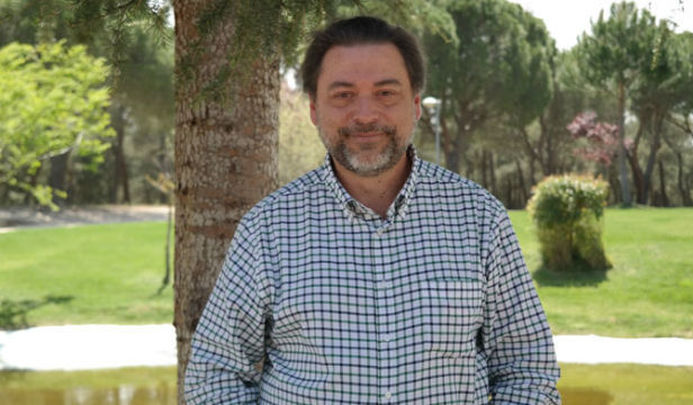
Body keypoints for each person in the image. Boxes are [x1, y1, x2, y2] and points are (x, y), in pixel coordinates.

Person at [184, 16, 561, 404]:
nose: (365, 115)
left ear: (415, 105)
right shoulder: (267, 229)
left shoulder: (480, 219)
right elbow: (216, 377)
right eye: (343, 95)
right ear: (314, 109)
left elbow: (527, 371)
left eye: (385, 93)